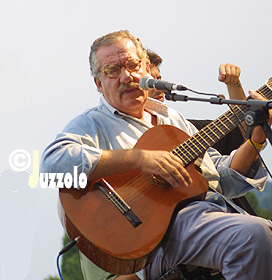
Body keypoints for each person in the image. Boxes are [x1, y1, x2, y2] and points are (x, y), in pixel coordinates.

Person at [40, 30, 272, 280]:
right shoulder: (92, 123)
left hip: (210, 221)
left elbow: (222, 179)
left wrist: (256, 140)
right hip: (152, 241)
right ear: (98, 83)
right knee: (252, 237)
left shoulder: (172, 119)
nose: (126, 76)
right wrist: (139, 159)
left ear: (145, 69)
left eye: (132, 65)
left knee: (259, 234)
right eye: (112, 70)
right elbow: (51, 165)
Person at [146, 49, 246, 154]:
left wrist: (234, 85)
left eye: (158, 81)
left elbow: (243, 132)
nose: (158, 89)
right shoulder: (128, 133)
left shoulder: (183, 129)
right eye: (150, 83)